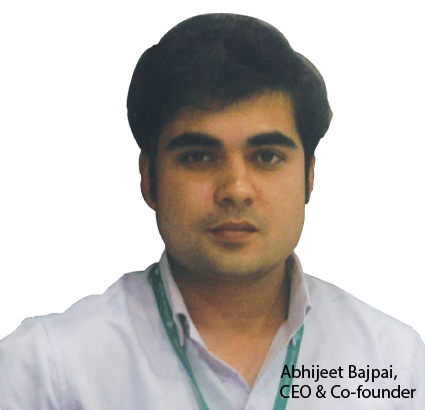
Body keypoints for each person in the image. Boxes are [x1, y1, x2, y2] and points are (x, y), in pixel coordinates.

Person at [0, 13, 424, 410]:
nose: (236, 190)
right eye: (199, 157)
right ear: (149, 178)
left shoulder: (393, 362)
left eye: (267, 156)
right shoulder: (48, 373)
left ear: (309, 176)